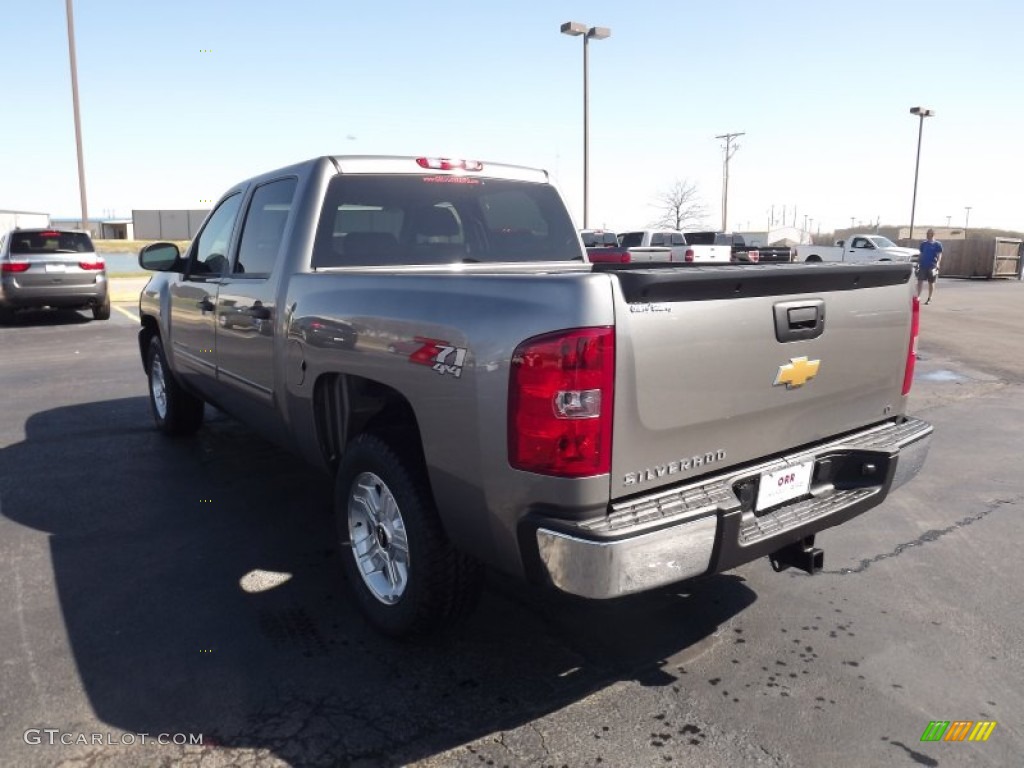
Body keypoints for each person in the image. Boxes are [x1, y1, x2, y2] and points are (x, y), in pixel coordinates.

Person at [917, 229, 943, 304]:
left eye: (930, 234)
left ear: (933, 234)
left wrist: (938, 263)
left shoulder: (937, 244)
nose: (928, 235)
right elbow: (921, 254)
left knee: (931, 282)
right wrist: (918, 263)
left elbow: (939, 255)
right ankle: (918, 297)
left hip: (932, 266)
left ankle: (929, 298)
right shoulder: (923, 244)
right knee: (920, 281)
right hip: (923, 265)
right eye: (927, 233)